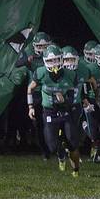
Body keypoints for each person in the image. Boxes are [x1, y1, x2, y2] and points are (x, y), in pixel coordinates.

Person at [27, 45, 83, 177]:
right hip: (49, 111)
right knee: (52, 146)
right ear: (45, 61)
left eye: (56, 60)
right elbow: (30, 88)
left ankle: (76, 170)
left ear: (61, 59)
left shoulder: (70, 75)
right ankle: (61, 153)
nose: (54, 64)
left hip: (66, 109)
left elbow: (73, 96)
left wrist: (65, 100)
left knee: (73, 143)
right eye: (50, 61)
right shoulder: (41, 73)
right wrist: (30, 107)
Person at [16, 31, 54, 159]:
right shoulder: (29, 52)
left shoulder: (53, 52)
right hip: (35, 92)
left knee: (53, 122)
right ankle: (45, 150)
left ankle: (55, 146)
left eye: (45, 47)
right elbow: (17, 63)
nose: (43, 50)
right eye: (40, 46)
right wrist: (27, 60)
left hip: (51, 91)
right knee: (38, 124)